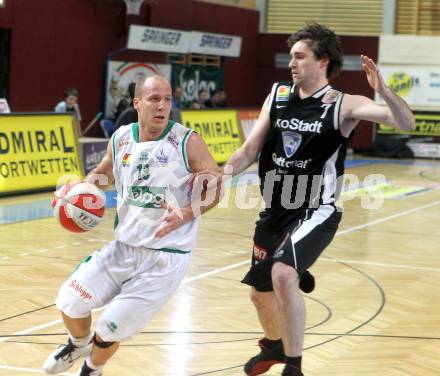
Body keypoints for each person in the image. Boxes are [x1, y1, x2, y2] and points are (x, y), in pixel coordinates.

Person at [222, 23, 415, 376]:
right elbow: (250, 149)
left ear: (322, 60)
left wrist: (383, 90)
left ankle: (294, 367)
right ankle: (277, 345)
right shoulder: (278, 94)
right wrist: (218, 177)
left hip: (317, 209)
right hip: (275, 209)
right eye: (291, 56)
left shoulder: (343, 105)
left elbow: (406, 123)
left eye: (300, 56)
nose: (292, 63)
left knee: (281, 275)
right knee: (260, 295)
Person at [43, 75, 221, 376]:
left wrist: (189, 211)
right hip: (123, 248)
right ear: (137, 103)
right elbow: (101, 174)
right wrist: (73, 195)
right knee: (69, 301)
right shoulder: (122, 137)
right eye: (154, 99)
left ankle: (91, 368)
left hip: (165, 258)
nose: (163, 105)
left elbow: (217, 184)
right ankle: (78, 343)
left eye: (167, 99)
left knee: (109, 328)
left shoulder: (186, 141)